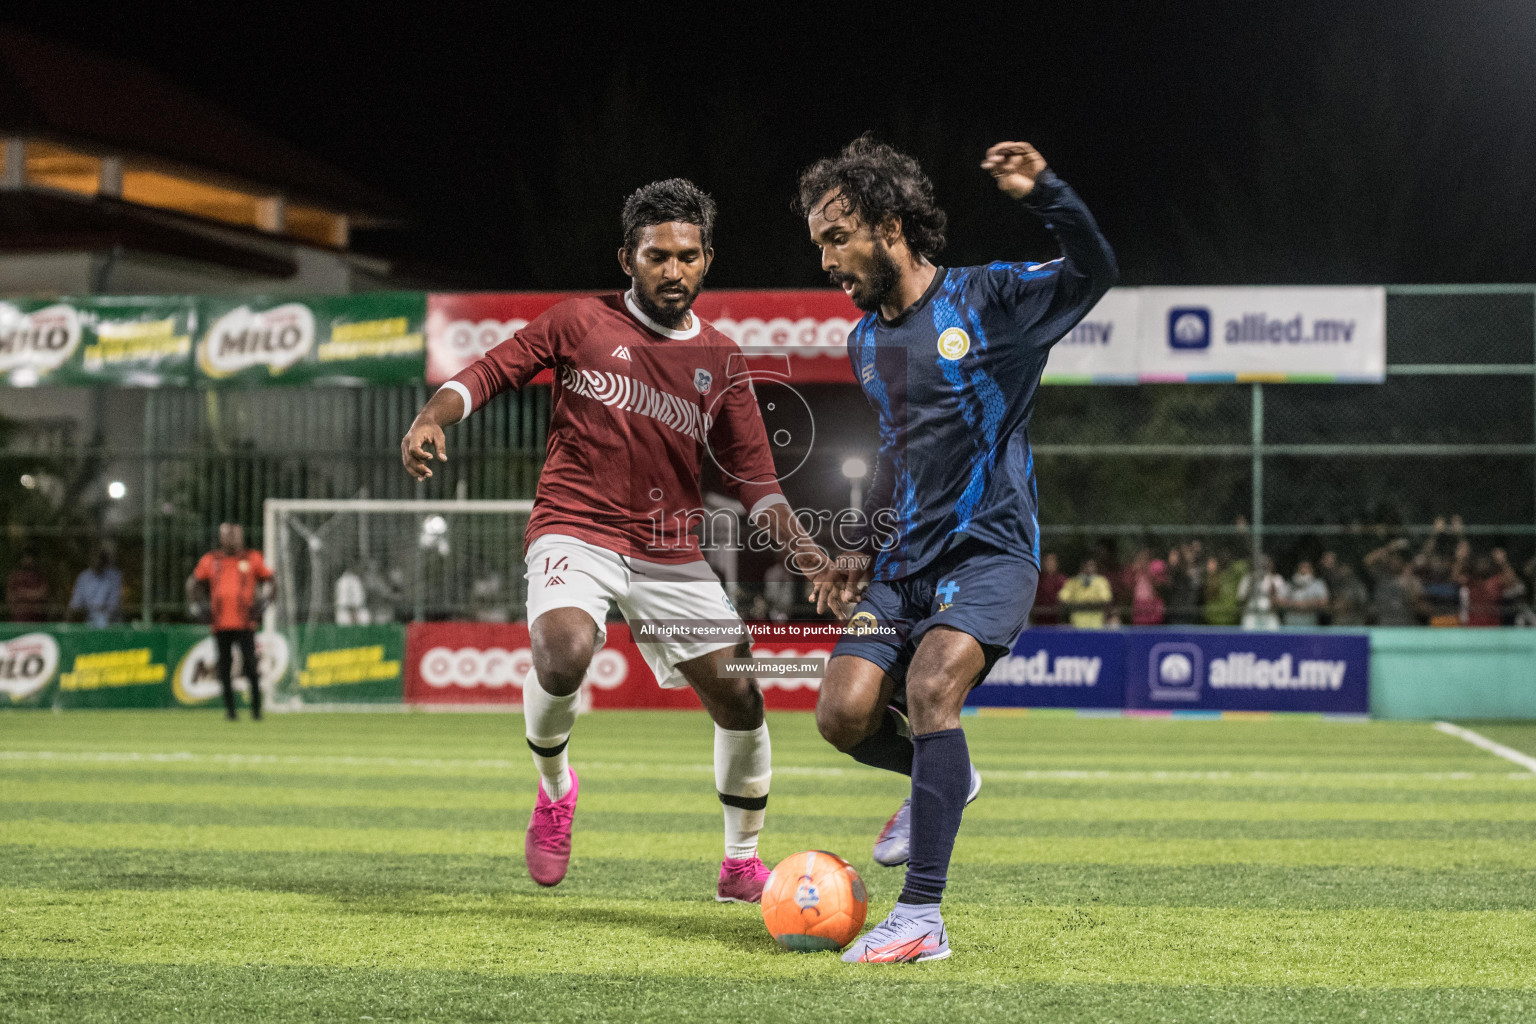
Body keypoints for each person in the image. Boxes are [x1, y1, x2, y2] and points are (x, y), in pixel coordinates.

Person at [401, 179, 830, 904]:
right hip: (577, 526)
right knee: (563, 653)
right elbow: (487, 372)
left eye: (688, 256)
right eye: (658, 255)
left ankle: (739, 864)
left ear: (708, 258)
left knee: (742, 698)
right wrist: (431, 416)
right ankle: (555, 791)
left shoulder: (723, 358)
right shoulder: (578, 321)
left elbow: (757, 480)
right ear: (627, 257)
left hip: (669, 550)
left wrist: (808, 552)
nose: (674, 271)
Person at [799, 136, 1115, 962]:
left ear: (891, 226)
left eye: (837, 238)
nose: (827, 260)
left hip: (990, 553)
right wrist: (862, 553)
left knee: (935, 685)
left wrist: (1045, 191)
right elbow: (902, 454)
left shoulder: (993, 299)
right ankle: (944, 778)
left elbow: (1094, 269)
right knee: (841, 714)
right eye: (820, 245)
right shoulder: (864, 344)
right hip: (903, 566)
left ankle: (921, 918)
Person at [186, 524, 275, 721]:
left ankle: (256, 710)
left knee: (251, 666)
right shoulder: (212, 560)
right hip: (220, 624)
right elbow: (193, 583)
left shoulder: (252, 558)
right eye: (228, 536)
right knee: (224, 668)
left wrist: (263, 607)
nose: (232, 540)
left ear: (241, 538)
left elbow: (272, 580)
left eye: (235, 536)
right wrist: (198, 608)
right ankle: (231, 711)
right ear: (221, 538)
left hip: (245, 624)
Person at [68, 548, 123, 627]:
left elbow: (113, 605)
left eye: (100, 560)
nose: (97, 562)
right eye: (94, 559)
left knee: (102, 621)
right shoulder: (83, 577)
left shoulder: (114, 577)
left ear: (105, 562)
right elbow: (76, 603)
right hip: (86, 617)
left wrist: (102, 615)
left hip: (108, 619)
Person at [1058, 559, 1115, 629]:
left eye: (1092, 566)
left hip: (1096, 625)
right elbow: (1062, 597)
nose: (1089, 568)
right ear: (1082, 567)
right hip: (1077, 625)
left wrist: (1090, 600)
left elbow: (1106, 598)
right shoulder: (1073, 582)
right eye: (1087, 565)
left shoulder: (1101, 581)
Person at [5, 548, 50, 622]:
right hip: (19, 619)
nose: (28, 560)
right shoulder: (15, 577)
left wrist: (23, 594)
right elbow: (11, 597)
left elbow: (43, 594)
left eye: (30, 557)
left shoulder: (40, 576)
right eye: (26, 557)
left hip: (38, 620)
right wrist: (33, 595)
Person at [1280, 560, 1329, 627]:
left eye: (1306, 568)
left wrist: (1306, 604)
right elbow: (1280, 601)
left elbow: (1324, 602)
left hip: (1310, 619)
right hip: (1291, 619)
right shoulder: (1289, 584)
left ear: (1312, 570)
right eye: (1301, 568)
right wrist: (1295, 604)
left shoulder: (1318, 584)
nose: (1303, 570)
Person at [1031, 552, 1067, 625]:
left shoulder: (1062, 580)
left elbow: (1064, 598)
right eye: (1048, 561)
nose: (1050, 564)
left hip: (1057, 620)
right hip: (1038, 620)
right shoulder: (1038, 580)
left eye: (1052, 561)